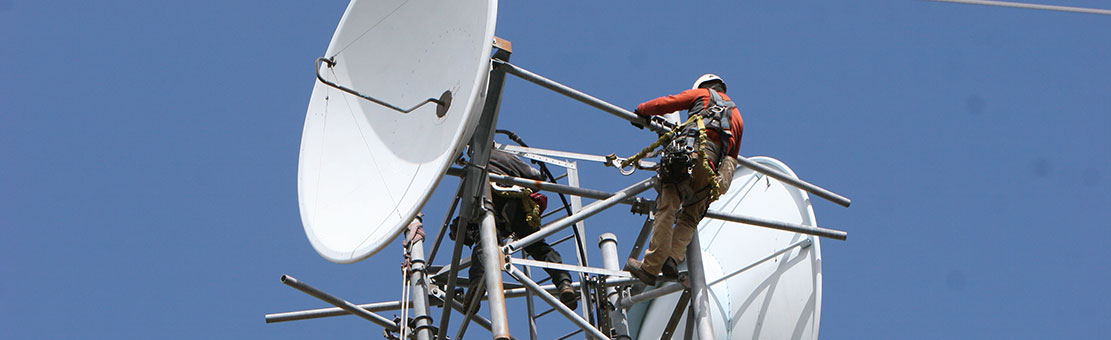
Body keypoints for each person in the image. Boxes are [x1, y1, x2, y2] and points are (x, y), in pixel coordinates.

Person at [625, 74, 744, 285]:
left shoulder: (703, 96)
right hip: (710, 172)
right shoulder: (737, 117)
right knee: (689, 218)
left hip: (690, 156)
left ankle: (650, 267)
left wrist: (642, 110)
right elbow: (731, 159)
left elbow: (668, 103)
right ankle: (672, 258)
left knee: (668, 207)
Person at [453, 149, 578, 309]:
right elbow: (534, 176)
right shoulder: (506, 157)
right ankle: (564, 282)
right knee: (536, 246)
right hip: (515, 205)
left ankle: (477, 284)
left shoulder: (473, 165)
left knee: (486, 242)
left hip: (490, 201)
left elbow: (467, 201)